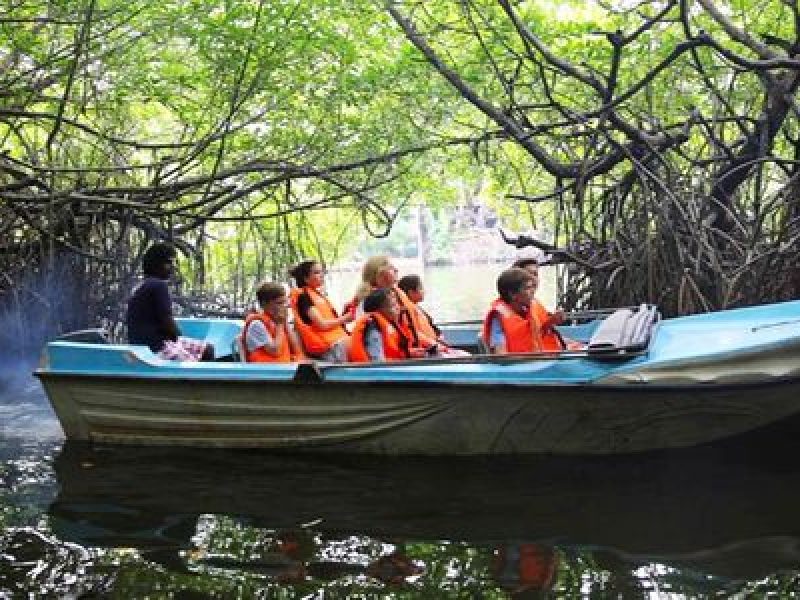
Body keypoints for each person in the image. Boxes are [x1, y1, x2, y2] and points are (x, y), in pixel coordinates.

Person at [126, 242, 214, 361]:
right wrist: (177, 335)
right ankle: (204, 378)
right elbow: (167, 320)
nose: (172, 267)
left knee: (207, 349)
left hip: (143, 346)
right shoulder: (159, 285)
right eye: (168, 263)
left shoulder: (141, 285)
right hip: (156, 348)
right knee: (195, 363)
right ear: (156, 264)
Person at [512, 257, 583, 351]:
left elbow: (541, 329)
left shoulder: (534, 302)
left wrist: (552, 321)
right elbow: (526, 339)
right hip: (543, 357)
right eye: (529, 274)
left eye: (535, 274)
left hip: (555, 349)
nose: (533, 279)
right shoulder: (514, 306)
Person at [288, 260, 353, 362]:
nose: (322, 275)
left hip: (338, 343)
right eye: (317, 272)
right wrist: (345, 318)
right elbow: (321, 324)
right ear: (306, 278)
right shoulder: (303, 297)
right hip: (331, 348)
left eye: (322, 272)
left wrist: (344, 315)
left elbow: (331, 322)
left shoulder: (315, 294)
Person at [397, 274, 470, 357]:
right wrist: (434, 345)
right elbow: (414, 333)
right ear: (411, 292)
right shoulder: (406, 312)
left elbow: (432, 326)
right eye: (421, 288)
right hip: (427, 350)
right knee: (465, 357)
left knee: (465, 354)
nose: (424, 291)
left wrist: (439, 336)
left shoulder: (418, 309)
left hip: (435, 346)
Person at [348, 287, 426, 362]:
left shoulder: (389, 323)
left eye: (396, 304)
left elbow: (392, 353)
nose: (398, 308)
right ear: (379, 310)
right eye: (393, 305)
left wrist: (408, 353)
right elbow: (377, 363)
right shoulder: (373, 328)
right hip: (377, 373)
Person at [481, 267, 544, 354]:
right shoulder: (499, 319)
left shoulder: (529, 311)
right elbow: (501, 354)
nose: (533, 291)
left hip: (537, 363)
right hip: (517, 366)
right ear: (512, 295)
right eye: (527, 288)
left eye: (532, 287)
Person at [242, 282, 304, 363]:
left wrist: (285, 323)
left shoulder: (277, 321)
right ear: (264, 304)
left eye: (285, 302)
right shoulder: (256, 324)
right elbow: (275, 351)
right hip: (267, 372)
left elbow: (297, 350)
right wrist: (280, 324)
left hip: (284, 369)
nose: (284, 306)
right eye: (279, 303)